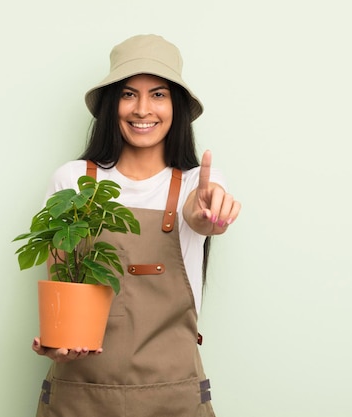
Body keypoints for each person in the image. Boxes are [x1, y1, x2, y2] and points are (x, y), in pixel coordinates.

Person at [31, 34, 241, 417]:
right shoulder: (73, 180)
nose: (143, 109)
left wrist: (207, 216)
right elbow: (59, 288)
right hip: (80, 397)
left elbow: (201, 214)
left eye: (158, 95)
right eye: (129, 94)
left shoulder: (197, 184)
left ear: (176, 106)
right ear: (112, 105)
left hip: (174, 398)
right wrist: (56, 342)